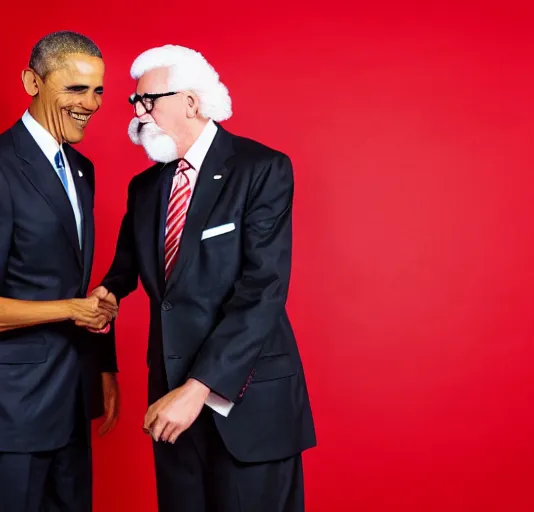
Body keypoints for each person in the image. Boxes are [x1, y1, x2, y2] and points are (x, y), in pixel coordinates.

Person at [96, 44, 316, 511]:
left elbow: (262, 291)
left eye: (147, 101)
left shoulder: (262, 169)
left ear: (191, 103)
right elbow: (124, 269)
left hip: (247, 404)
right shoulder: (146, 187)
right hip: (171, 412)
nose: (138, 114)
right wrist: (105, 295)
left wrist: (196, 391)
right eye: (135, 103)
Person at [0, 31, 120, 512]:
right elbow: (71, 300)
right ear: (32, 81)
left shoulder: (81, 168)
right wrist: (74, 309)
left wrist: (105, 365)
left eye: (97, 91)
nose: (89, 103)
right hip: (13, 410)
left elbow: (74, 281)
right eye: (75, 89)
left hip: (71, 401)